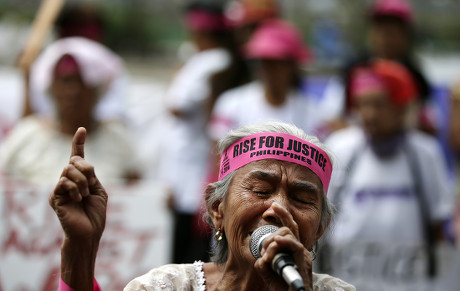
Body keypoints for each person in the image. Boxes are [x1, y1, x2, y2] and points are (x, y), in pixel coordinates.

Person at [50, 121, 355, 290]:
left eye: (301, 199)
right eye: (261, 190)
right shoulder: (163, 287)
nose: (278, 208)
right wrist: (80, 247)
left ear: (320, 228)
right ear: (217, 209)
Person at [318, 60, 452, 290]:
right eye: (362, 105)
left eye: (379, 104)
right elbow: (321, 218)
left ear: (402, 106)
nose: (369, 115)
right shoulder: (339, 148)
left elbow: (437, 226)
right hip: (346, 282)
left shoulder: (425, 153)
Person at [162, 1, 250, 264]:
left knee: (191, 255)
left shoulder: (210, 61)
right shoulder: (215, 61)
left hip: (198, 170)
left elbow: (175, 106)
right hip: (192, 171)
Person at [0, 37, 140, 184]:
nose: (74, 91)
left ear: (97, 90)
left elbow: (139, 191)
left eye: (82, 81)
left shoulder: (118, 138)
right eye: (65, 81)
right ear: (51, 88)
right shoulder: (27, 134)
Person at [209, 19, 338, 142]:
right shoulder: (231, 104)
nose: (269, 70)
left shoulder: (312, 112)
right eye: (265, 62)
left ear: (292, 66)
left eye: (278, 63)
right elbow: (218, 157)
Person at [337, 0, 434, 134]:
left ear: (406, 35)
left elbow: (430, 124)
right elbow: (332, 118)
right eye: (381, 29)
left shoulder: (416, 76)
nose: (386, 37)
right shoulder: (353, 69)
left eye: (393, 31)